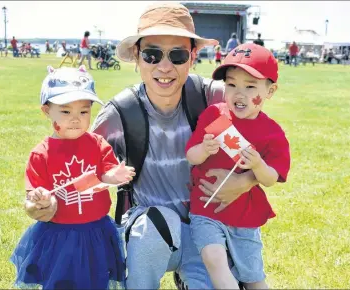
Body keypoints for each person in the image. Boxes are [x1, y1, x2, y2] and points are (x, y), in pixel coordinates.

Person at [24, 2, 261, 289]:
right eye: (151, 54)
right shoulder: (121, 112)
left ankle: (191, 275)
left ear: (193, 57)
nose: (164, 67)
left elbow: (268, 143)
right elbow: (75, 163)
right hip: (152, 230)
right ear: (137, 57)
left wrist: (245, 180)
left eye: (177, 55)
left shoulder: (215, 96)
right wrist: (48, 204)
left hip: (208, 230)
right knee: (155, 224)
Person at [10, 65, 134, 289]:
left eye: (84, 112)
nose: (76, 119)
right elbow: (33, 198)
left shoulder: (96, 144)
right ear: (46, 111)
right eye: (66, 112)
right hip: (58, 235)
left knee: (97, 279)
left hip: (96, 231)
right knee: (60, 281)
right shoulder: (42, 153)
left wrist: (114, 175)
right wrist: (40, 200)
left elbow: (105, 172)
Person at [186, 43, 290, 290]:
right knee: (213, 258)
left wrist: (258, 165)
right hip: (205, 210)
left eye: (250, 86)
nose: (238, 94)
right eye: (231, 85)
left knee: (253, 276)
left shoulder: (272, 133)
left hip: (245, 217)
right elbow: (191, 155)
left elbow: (271, 178)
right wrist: (204, 149)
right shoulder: (214, 115)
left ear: (270, 91)